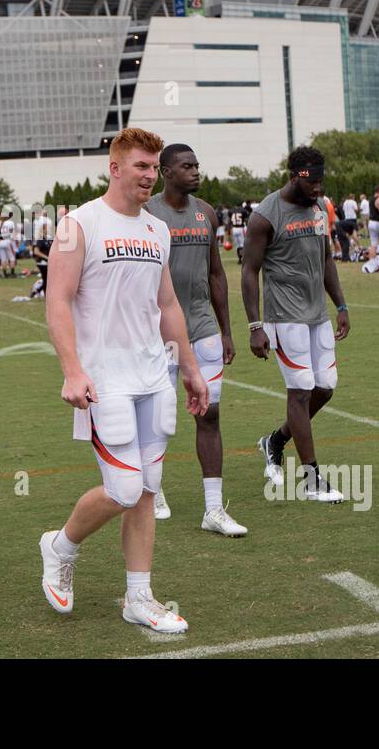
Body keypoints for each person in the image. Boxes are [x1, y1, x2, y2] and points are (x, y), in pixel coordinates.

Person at [39, 127, 207, 634]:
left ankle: (139, 596)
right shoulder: (78, 224)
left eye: (155, 168)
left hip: (153, 375)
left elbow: (167, 305)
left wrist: (192, 371)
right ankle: (60, 545)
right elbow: (58, 301)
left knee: (149, 487)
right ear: (115, 168)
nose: (150, 176)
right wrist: (72, 369)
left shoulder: (157, 229)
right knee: (125, 487)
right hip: (103, 380)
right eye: (141, 167)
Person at [145, 144, 247, 536]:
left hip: (203, 329)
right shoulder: (147, 213)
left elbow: (217, 273)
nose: (195, 171)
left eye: (197, 165)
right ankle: (153, 491)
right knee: (159, 418)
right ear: (166, 172)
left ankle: (213, 510)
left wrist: (226, 330)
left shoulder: (205, 212)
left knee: (211, 414)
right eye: (186, 166)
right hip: (157, 333)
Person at [245, 147, 350, 503]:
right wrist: (254, 326)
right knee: (301, 389)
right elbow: (248, 271)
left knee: (326, 387)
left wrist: (342, 305)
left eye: (322, 180)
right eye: (313, 181)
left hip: (317, 314)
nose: (319, 188)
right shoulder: (266, 214)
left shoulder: (318, 208)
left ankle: (276, 440)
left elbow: (326, 258)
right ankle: (312, 479)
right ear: (295, 176)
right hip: (283, 318)